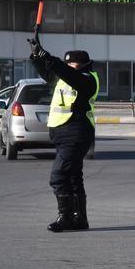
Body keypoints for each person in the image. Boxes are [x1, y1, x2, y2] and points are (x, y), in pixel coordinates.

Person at [29, 36, 99, 232]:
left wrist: (49, 57)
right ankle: (80, 219)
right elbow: (48, 72)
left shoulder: (87, 79)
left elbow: (66, 73)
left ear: (83, 65)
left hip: (77, 132)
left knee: (58, 176)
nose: (68, 67)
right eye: (67, 64)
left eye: (72, 64)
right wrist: (36, 56)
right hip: (62, 133)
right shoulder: (64, 78)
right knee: (74, 176)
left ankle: (65, 217)